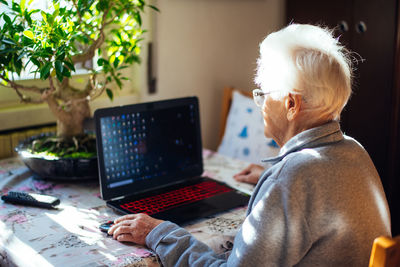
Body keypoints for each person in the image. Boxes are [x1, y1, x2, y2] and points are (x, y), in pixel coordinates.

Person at [108, 24, 391, 266]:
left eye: (264, 94)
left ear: (291, 104)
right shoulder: (354, 151)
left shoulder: (292, 179)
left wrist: (158, 232)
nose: (261, 105)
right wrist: (273, 184)